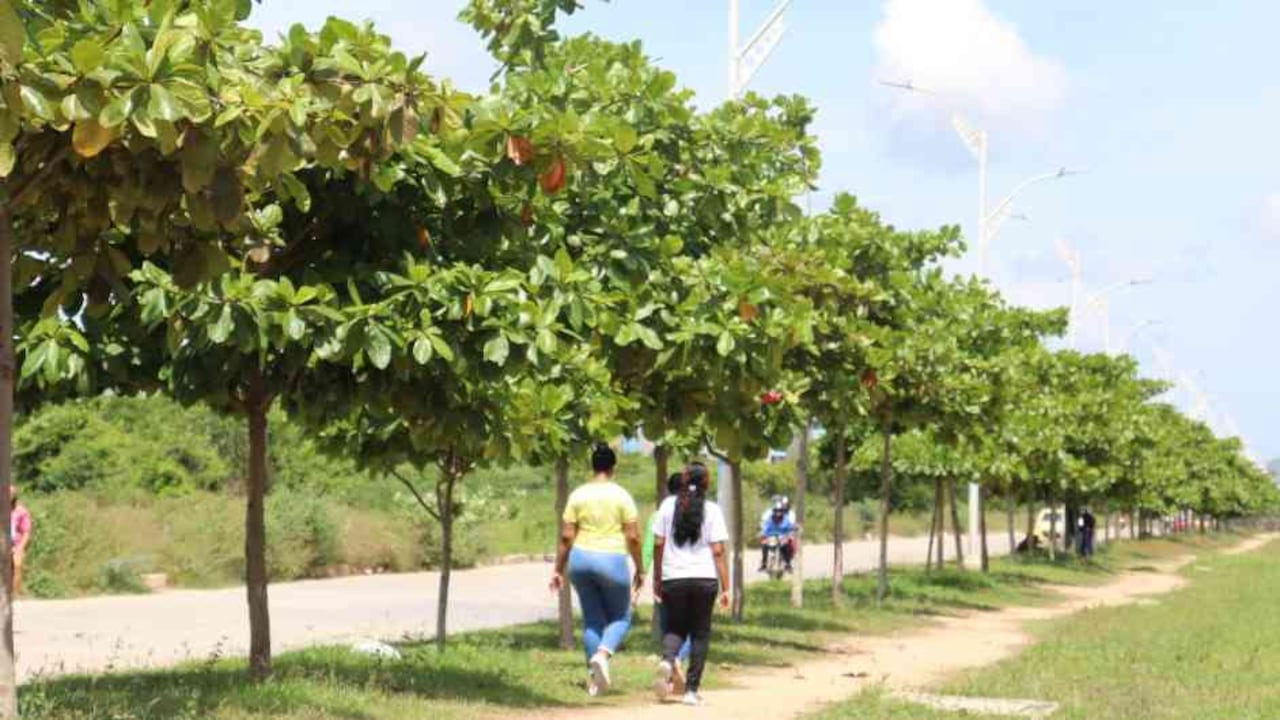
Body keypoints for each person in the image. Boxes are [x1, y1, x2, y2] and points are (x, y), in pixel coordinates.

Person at [551, 444, 644, 696]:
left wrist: (558, 569)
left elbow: (566, 537)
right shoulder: (621, 496)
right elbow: (633, 537)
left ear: (592, 466)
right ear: (613, 467)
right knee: (621, 617)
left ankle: (595, 682)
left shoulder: (578, 495)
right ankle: (602, 655)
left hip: (580, 561)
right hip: (611, 560)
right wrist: (640, 568)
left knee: (592, 620)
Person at [652, 462, 731, 706]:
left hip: (673, 578)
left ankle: (667, 660)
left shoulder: (667, 505)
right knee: (700, 633)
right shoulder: (713, 510)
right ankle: (691, 691)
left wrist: (657, 577)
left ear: (685, 481)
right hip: (704, 579)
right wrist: (726, 587)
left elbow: (658, 544)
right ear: (706, 483)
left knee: (675, 627)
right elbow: (718, 551)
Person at [642, 473, 692, 691]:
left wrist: (642, 575)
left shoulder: (658, 515)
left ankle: (669, 666)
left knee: (668, 627)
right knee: (693, 627)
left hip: (665, 579)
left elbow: (649, 547)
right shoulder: (696, 513)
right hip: (692, 577)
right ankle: (676, 660)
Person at [758, 499, 797, 572]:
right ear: (774, 511)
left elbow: (790, 527)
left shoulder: (786, 519)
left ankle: (787, 564)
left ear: (782, 511)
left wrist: (793, 530)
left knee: (786, 545)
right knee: (764, 545)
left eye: (780, 511)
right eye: (776, 511)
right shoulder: (770, 519)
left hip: (782, 537)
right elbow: (765, 528)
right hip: (772, 537)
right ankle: (764, 563)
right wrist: (763, 534)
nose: (778, 512)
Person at [9, 486, 31, 596]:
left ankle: (14, 593)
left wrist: (21, 547)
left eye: (10, 494)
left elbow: (26, 532)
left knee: (17, 565)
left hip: (15, 544)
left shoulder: (21, 511)